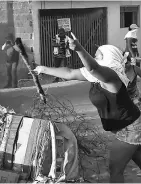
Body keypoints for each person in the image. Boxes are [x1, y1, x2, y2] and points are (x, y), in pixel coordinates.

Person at [33, 32, 141, 183]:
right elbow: (70, 72)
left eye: (97, 55)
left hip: (130, 128)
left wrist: (78, 49)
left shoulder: (111, 77)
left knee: (115, 169)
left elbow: (93, 68)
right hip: (126, 125)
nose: (94, 57)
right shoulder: (97, 76)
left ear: (107, 59)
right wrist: (43, 69)